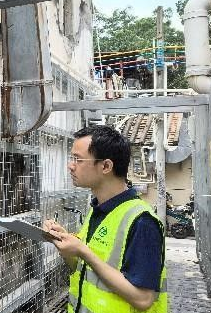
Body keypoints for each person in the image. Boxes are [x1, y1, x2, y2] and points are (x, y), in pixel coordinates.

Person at [43, 125, 167, 313]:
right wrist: (66, 247)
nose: (70, 165)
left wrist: (83, 251)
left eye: (78, 159)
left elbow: (143, 299)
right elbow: (84, 269)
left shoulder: (142, 221)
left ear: (106, 166)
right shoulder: (97, 210)